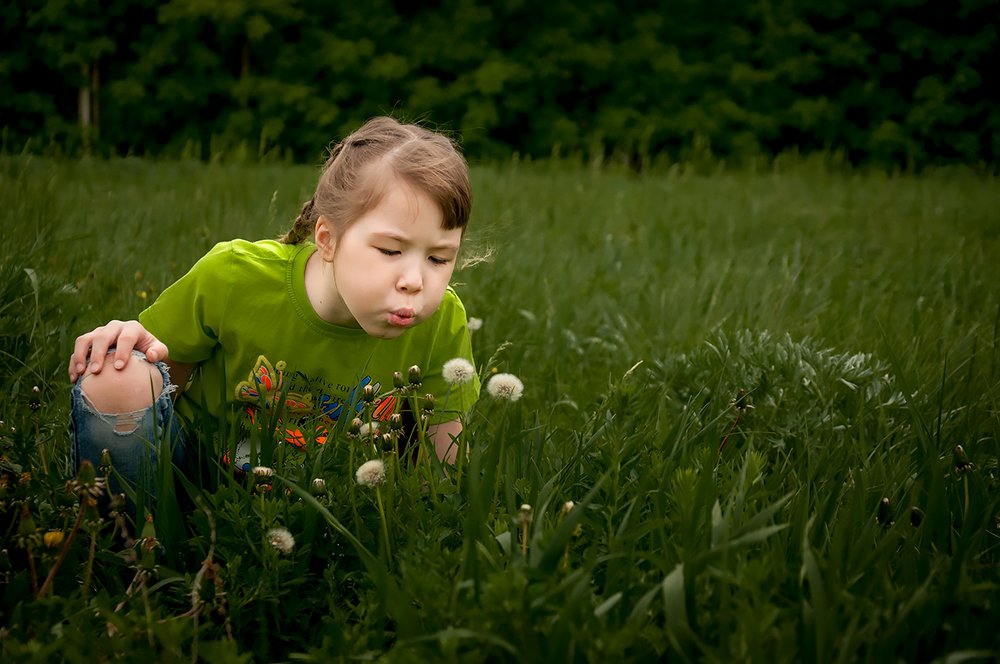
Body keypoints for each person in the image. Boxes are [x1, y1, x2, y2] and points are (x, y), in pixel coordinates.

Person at [67, 116, 481, 506]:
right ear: (328, 239)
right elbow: (161, 386)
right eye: (391, 250)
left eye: (439, 259)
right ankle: (128, 543)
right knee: (116, 375)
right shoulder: (234, 277)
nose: (415, 280)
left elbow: (441, 474)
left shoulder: (443, 321)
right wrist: (128, 347)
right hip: (196, 483)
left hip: (335, 512)